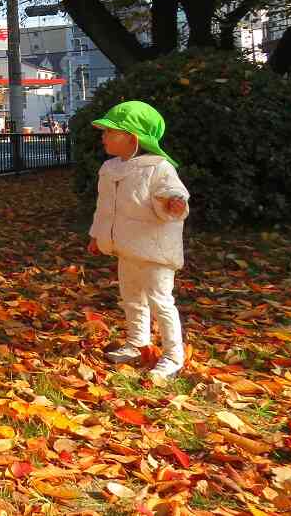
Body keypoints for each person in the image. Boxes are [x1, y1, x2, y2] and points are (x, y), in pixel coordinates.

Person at [87, 101, 191, 380]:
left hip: (154, 252)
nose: (104, 136)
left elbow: (173, 192)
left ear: (133, 137)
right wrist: (98, 235)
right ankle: (137, 343)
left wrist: (174, 203)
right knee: (132, 299)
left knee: (160, 301)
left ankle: (173, 355)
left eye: (111, 131)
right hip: (126, 248)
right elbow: (105, 207)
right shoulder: (110, 169)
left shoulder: (159, 167)